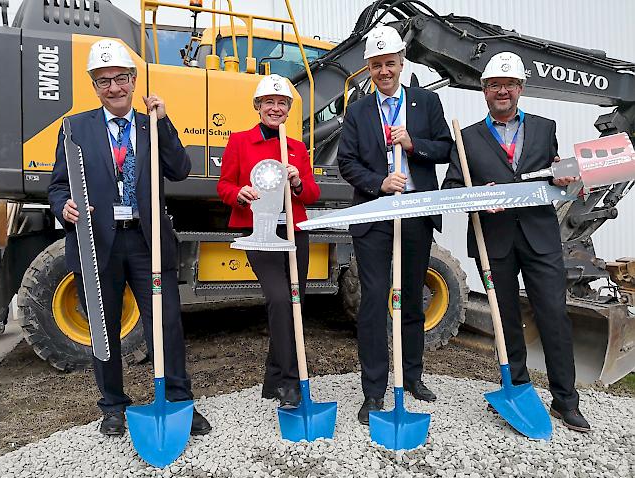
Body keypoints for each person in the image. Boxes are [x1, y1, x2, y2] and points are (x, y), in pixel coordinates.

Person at [48, 39, 211, 437]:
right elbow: (57, 186)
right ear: (94, 86)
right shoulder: (75, 128)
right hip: (96, 244)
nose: (114, 87)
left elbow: (180, 170)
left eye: (121, 78)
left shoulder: (150, 124)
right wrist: (64, 207)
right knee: (104, 328)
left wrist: (165, 122)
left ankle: (178, 402)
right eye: (104, 81)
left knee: (166, 324)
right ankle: (114, 407)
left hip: (146, 242)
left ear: (134, 80)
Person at [442, 51, 590, 432]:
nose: (502, 91)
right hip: (495, 242)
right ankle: (518, 389)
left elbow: (557, 172)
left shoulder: (544, 127)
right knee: (505, 320)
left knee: (553, 316)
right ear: (484, 91)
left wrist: (563, 178)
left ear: (521, 88)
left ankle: (565, 401)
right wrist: (478, 197)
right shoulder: (467, 138)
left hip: (540, 238)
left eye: (509, 84)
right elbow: (453, 190)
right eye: (494, 85)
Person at [337, 26, 453, 425]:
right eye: (376, 65)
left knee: (412, 303)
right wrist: (379, 184)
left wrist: (412, 144)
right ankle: (373, 391)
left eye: (390, 63)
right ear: (368, 68)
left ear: (402, 63)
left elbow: (444, 148)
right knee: (373, 303)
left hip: (417, 215)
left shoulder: (426, 102)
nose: (384, 71)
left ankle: (413, 377)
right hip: (375, 218)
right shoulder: (358, 110)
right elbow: (347, 163)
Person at [217, 74, 320, 408]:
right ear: (258, 107)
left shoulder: (297, 147)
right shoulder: (240, 142)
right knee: (279, 300)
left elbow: (314, 194)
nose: (275, 108)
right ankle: (290, 383)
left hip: (293, 233)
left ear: (289, 109)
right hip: (259, 233)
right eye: (269, 103)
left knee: (295, 304)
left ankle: (273, 379)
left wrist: (299, 182)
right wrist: (240, 194)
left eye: (282, 103)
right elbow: (223, 186)